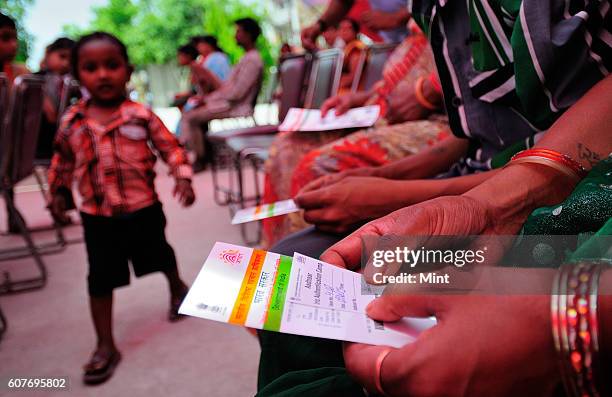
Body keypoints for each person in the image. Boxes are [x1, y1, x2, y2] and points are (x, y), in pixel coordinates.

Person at [256, 0, 611, 393]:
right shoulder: (435, 11)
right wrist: (487, 207)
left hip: (586, 208)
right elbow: (477, 133)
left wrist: (575, 321)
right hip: (527, 181)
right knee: (302, 285)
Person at [47, 32, 196, 385]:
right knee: (100, 277)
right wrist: (57, 193)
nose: (103, 75)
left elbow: (170, 147)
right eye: (91, 68)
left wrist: (183, 176)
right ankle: (104, 344)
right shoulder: (72, 122)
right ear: (78, 75)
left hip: (143, 207)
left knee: (159, 253)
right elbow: (61, 161)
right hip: (97, 217)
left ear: (127, 71)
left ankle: (177, 288)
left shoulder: (139, 115)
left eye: (112, 66)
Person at [262, 24, 448, 247]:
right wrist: (359, 98)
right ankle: (279, 248)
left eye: (344, 29)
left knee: (317, 166)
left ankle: (314, 262)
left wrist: (427, 92)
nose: (340, 32)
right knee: (287, 144)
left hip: (437, 120)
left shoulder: (466, 23)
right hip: (381, 111)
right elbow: (388, 85)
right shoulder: (418, 29)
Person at [179, 18, 263, 172]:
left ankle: (200, 158)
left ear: (249, 34)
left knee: (191, 117)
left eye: (238, 32)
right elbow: (229, 89)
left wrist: (209, 99)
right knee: (193, 111)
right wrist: (206, 99)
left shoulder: (252, 60)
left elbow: (236, 94)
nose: (235, 36)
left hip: (237, 106)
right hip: (230, 102)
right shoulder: (245, 58)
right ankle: (202, 154)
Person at [0, 12, 30, 234]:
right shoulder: (20, 74)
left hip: (11, 152)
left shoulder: (19, 74)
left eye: (13, 37)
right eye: (4, 38)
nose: (13, 44)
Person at [301, 0, 409, 51]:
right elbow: (344, 2)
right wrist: (319, 26)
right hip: (397, 47)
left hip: (423, 32)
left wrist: (397, 17)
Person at [35, 37, 76, 160]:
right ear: (48, 54)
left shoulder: (74, 85)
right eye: (62, 57)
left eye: (71, 60)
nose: (66, 63)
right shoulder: (35, 80)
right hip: (38, 147)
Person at [338, 18, 366, 93]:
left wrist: (334, 84)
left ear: (356, 32)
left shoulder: (357, 49)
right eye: (341, 28)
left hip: (352, 94)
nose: (344, 31)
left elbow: (354, 77)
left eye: (348, 28)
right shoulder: (344, 49)